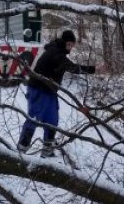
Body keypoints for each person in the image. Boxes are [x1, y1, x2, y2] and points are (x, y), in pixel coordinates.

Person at [17, 29, 95, 157]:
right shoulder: (56, 53)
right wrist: (94, 69)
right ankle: (21, 149)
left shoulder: (56, 50)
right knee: (34, 118)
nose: (70, 48)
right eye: (68, 45)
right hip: (38, 89)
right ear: (63, 42)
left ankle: (47, 151)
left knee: (52, 120)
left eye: (72, 45)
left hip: (48, 90)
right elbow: (73, 68)